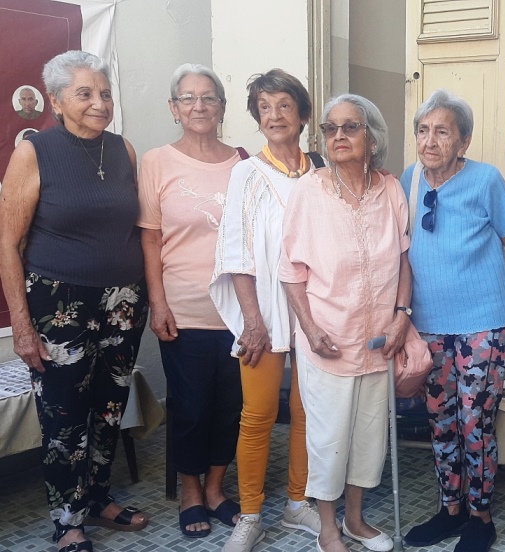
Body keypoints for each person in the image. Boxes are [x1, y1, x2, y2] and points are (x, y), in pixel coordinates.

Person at [0, 51, 148, 552]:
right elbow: (8, 244)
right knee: (63, 417)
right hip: (58, 303)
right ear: (57, 101)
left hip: (124, 301)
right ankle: (68, 522)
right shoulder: (34, 152)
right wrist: (22, 326)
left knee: (109, 408)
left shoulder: (123, 150)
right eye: (84, 93)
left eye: (105, 93)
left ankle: (99, 498)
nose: (99, 103)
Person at [279, 94, 410, 552]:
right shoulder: (309, 192)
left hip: (378, 341)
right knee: (329, 439)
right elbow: (291, 271)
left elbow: (405, 260)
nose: (338, 136)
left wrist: (401, 316)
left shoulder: (390, 189)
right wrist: (310, 329)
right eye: (330, 128)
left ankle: (355, 520)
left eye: (350, 127)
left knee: (369, 439)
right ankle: (328, 528)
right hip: (328, 341)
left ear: (371, 138)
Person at [401, 89, 505, 552]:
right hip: (430, 325)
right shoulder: (409, 180)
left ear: (464, 141)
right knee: (440, 419)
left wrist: (484, 297)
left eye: (442, 131)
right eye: (423, 130)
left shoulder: (485, 179)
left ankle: (481, 516)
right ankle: (450, 508)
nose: (430, 140)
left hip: (483, 326)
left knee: (476, 421)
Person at [211, 69, 327, 552]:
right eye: (264, 107)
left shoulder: (321, 169)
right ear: (257, 118)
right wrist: (252, 322)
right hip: (265, 308)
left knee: (307, 410)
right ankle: (251, 514)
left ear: (302, 115)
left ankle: (299, 502)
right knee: (258, 414)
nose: (274, 115)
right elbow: (237, 251)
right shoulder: (247, 173)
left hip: (317, 306)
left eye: (284, 105)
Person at [138, 63, 244, 539]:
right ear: (174, 108)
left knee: (230, 406)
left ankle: (216, 488)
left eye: (209, 97)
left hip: (239, 312)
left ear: (222, 107)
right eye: (188, 98)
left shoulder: (244, 163)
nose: (199, 106)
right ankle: (190, 491)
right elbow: (150, 238)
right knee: (191, 406)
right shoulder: (156, 162)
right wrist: (157, 303)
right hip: (183, 309)